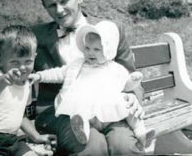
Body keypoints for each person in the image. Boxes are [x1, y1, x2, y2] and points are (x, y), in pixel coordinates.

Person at [31, 0, 145, 155]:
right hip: (63, 113)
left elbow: (130, 77)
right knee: (93, 146)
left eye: (64, 1)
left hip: (109, 110)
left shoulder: (109, 31)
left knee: (124, 147)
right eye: (51, 5)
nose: (59, 10)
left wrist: (132, 96)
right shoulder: (37, 37)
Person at [30, 21, 155, 151]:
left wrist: (133, 80)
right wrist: (40, 76)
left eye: (96, 49)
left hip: (107, 109)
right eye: (87, 49)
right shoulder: (78, 64)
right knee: (79, 112)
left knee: (130, 111)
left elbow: (125, 85)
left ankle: (141, 134)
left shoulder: (115, 68)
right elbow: (59, 73)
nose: (90, 53)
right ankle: (82, 131)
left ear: (108, 50)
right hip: (87, 108)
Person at [0, 25, 55, 156]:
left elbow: (20, 115)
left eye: (28, 61)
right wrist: (5, 79)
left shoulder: (26, 84)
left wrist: (36, 137)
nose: (22, 67)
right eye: (15, 62)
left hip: (12, 142)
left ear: (35, 57)